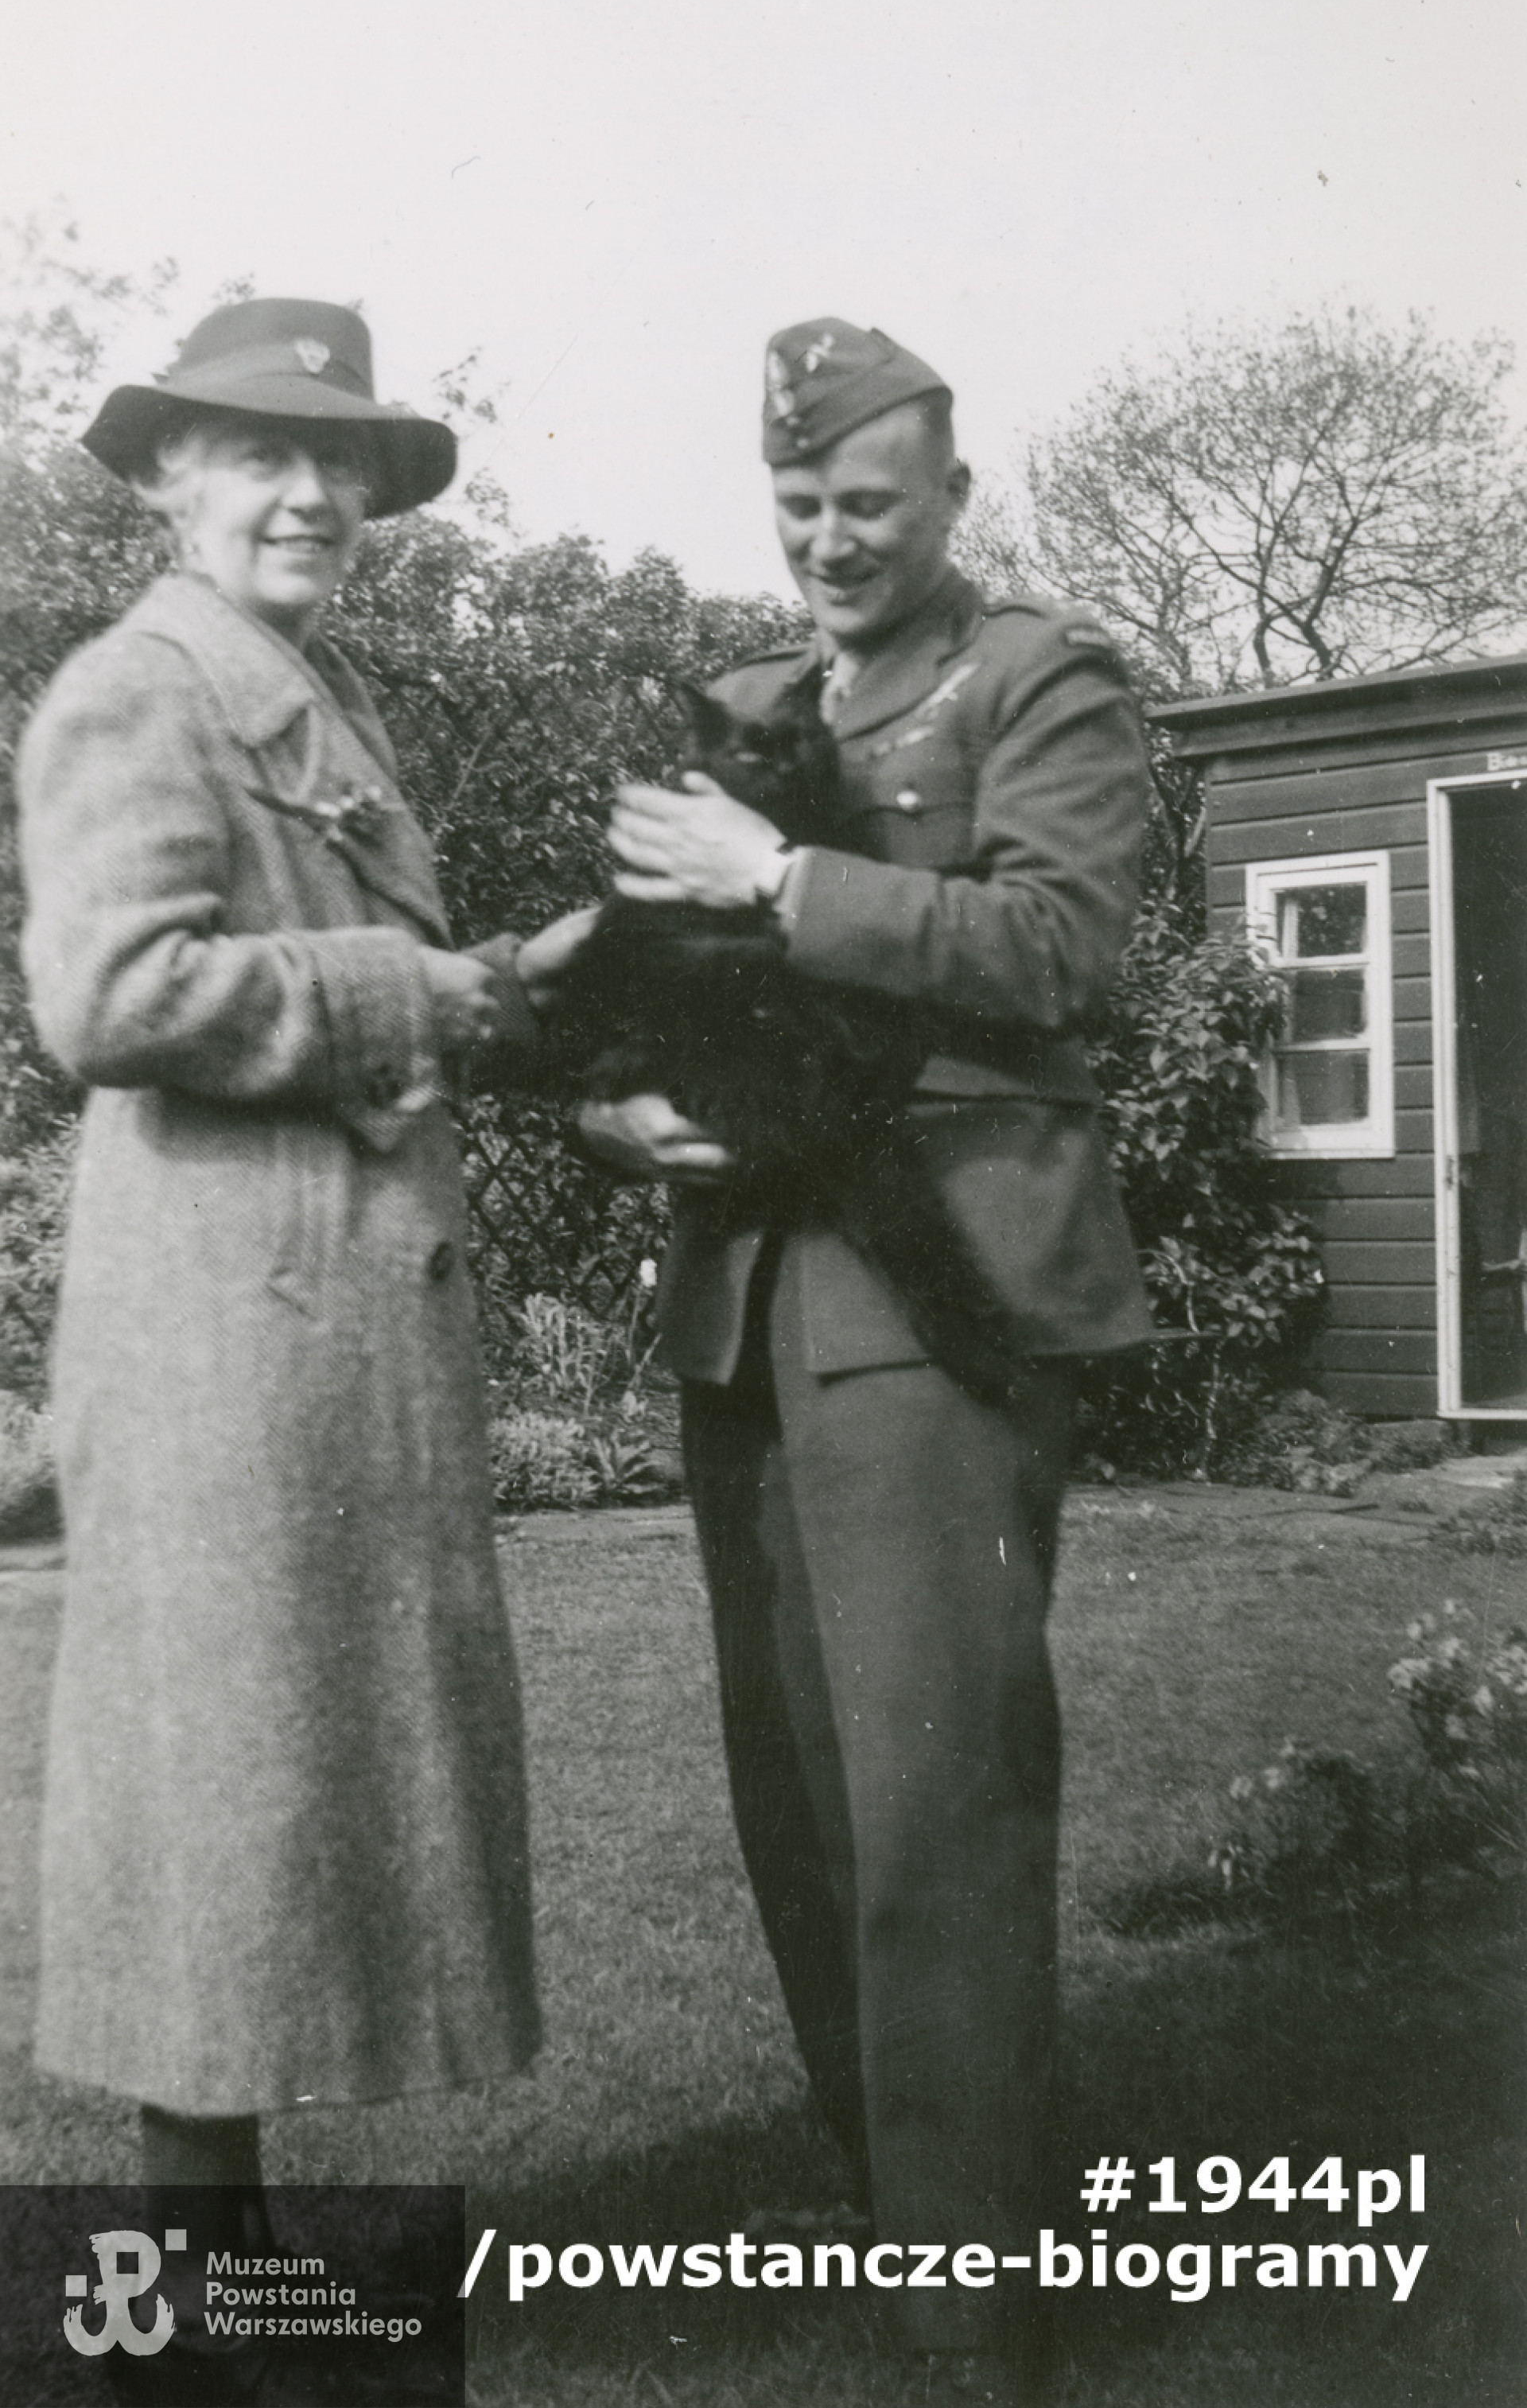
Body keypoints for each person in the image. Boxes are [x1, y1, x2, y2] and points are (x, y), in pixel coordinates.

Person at [580, 318, 1152, 2406]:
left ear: (953, 500)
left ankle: (974, 2326)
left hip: (938, 1301)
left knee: (934, 1821)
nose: (828, 540)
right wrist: (609, 1100)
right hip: (746, 1303)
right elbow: (641, 975)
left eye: (868, 507)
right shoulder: (751, 703)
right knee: (802, 1815)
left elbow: (1066, 949)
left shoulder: (1037, 681)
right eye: (798, 505)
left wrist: (789, 877)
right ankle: (909, 2235)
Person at [17, 298, 589, 2388]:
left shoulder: (287, 692)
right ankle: (182, 2294)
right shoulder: (137, 693)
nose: (313, 495)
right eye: (261, 453)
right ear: (166, 477)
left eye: (340, 464)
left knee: (261, 1803)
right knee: (216, 1802)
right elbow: (113, 995)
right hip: (225, 1338)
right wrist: (430, 997)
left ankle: (213, 2273)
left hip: (303, 1321)